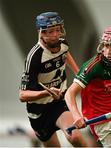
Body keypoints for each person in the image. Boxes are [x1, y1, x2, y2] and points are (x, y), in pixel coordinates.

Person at [19, 11, 88, 147]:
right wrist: (46, 92)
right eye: (50, 32)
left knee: (75, 137)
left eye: (57, 30)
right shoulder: (34, 57)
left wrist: (78, 73)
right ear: (41, 33)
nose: (56, 35)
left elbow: (65, 54)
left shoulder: (62, 44)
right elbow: (22, 95)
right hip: (38, 111)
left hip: (58, 102)